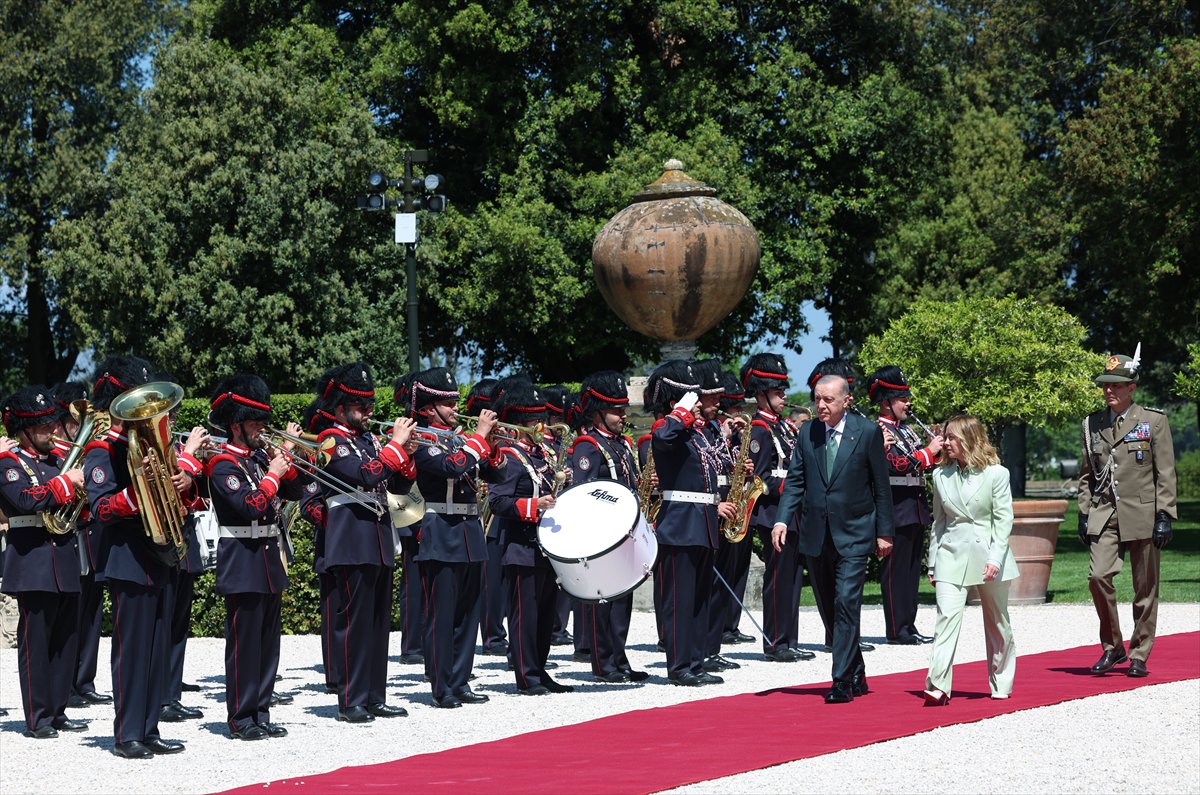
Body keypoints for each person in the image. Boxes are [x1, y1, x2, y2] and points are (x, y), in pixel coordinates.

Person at [85, 355, 186, 757]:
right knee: (132, 649)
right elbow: (101, 508)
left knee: (158, 645)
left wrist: (179, 480)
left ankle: (149, 727)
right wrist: (138, 488)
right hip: (127, 556)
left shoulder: (148, 447)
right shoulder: (102, 451)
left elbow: (173, 500)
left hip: (157, 553)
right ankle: (128, 733)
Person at [772, 374, 894, 704]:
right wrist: (782, 519)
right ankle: (856, 668)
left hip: (855, 533)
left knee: (846, 602)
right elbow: (796, 480)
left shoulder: (866, 432)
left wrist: (884, 532)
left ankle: (840, 679)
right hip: (816, 535)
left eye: (828, 400)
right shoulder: (808, 432)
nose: (821, 406)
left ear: (846, 401)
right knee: (828, 606)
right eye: (817, 399)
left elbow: (880, 488)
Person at [205, 375, 308, 739]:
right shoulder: (221, 464)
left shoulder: (260, 458)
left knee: (267, 644)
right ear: (235, 425)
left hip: (267, 557)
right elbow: (250, 505)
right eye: (254, 423)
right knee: (244, 644)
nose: (261, 429)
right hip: (242, 556)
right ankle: (241, 717)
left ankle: (261, 711)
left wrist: (288, 463)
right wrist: (274, 475)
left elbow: (298, 490)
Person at [316, 362, 416, 722]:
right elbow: (361, 475)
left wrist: (408, 455)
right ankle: (350, 698)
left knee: (377, 622)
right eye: (361, 406)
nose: (369, 412)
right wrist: (395, 448)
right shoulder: (331, 440)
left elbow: (398, 486)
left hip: (376, 535)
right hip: (350, 535)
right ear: (341, 407)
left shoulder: (369, 440)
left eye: (370, 405)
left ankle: (374, 694)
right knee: (354, 621)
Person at [1078, 348, 1177, 678]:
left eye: (1116, 385)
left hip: (1143, 513)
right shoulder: (1091, 423)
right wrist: (1082, 512)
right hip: (1105, 512)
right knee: (1097, 577)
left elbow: (1165, 472)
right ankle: (1113, 647)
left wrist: (1165, 515)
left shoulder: (1153, 421)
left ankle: (1139, 652)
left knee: (1144, 588)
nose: (1109, 390)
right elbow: (1086, 474)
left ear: (1132, 387)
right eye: (1105, 385)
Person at [407, 366, 502, 708]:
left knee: (468, 615)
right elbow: (450, 467)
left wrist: (490, 445)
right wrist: (478, 438)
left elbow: (494, 472)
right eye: (447, 404)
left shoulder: (463, 438)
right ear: (430, 408)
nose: (454, 409)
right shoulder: (421, 439)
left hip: (469, 531)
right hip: (441, 530)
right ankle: (441, 684)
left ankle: (461, 680)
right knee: (442, 615)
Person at [0, 386, 86, 738]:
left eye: (53, 422)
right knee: (36, 641)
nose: (53, 430)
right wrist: (66, 484)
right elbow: (22, 499)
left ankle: (59, 708)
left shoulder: (55, 460)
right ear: (23, 430)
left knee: (66, 639)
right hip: (31, 558)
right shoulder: (9, 463)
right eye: (43, 426)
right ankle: (39, 716)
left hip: (63, 556)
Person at [649, 360, 737, 686]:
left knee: (700, 600)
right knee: (679, 602)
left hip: (703, 523)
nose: (699, 403)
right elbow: (662, 436)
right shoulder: (668, 427)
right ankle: (679, 666)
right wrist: (682, 410)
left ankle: (696, 661)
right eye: (692, 397)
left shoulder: (699, 433)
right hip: (679, 525)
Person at [923, 414, 1020, 705]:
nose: (945, 442)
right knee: (946, 619)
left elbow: (1004, 520)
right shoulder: (940, 475)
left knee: (997, 622)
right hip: (949, 556)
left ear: (969, 439)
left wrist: (996, 558)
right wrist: (932, 563)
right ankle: (937, 684)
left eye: (951, 437)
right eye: (945, 436)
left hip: (988, 555)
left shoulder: (996, 474)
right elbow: (938, 523)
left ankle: (1001, 681)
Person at [490, 377, 573, 696]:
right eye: (536, 420)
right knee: (525, 614)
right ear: (521, 423)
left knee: (545, 612)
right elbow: (498, 502)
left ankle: (540, 668)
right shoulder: (509, 455)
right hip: (522, 545)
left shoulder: (545, 454)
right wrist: (533, 506)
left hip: (548, 545)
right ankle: (526, 675)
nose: (543, 425)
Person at [570, 370, 648, 683]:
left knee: (622, 600)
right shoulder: (588, 445)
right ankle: (603, 664)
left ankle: (619, 658)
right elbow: (584, 491)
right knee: (603, 602)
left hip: (625, 533)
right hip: (602, 534)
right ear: (599, 413)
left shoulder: (623, 444)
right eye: (616, 410)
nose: (622, 415)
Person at [742, 353, 814, 663]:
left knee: (793, 579)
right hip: (774, 514)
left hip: (793, 512)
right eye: (777, 392)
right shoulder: (760, 429)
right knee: (779, 579)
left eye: (783, 391)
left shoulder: (783, 427)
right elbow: (762, 478)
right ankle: (775, 643)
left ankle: (789, 640)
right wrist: (796, 488)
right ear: (762, 395)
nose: (784, 397)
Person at [867, 366, 941, 645]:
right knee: (895, 572)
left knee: (911, 572)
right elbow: (895, 465)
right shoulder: (877, 431)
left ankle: (908, 625)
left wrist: (936, 450)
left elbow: (919, 463)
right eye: (901, 398)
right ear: (886, 402)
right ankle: (897, 628)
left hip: (914, 506)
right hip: (894, 508)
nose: (908, 402)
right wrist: (928, 452)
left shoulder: (906, 430)